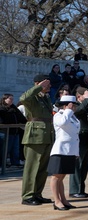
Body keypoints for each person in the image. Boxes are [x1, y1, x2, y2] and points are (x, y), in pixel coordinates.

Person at [20, 74, 55, 206]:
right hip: (35, 136)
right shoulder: (32, 97)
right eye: (47, 84)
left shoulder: (45, 98)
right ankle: (28, 195)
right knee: (32, 167)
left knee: (42, 168)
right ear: (38, 84)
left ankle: (37, 193)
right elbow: (23, 98)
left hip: (46, 135)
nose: (49, 86)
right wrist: (39, 87)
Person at [49, 94, 81, 210]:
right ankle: (56, 201)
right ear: (68, 105)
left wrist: (76, 152)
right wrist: (67, 111)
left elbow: (75, 136)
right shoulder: (59, 115)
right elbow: (62, 123)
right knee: (56, 177)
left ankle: (63, 199)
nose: (75, 107)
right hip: (60, 150)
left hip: (70, 151)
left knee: (61, 177)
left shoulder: (73, 117)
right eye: (74, 105)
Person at [69, 86, 88, 199]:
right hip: (80, 136)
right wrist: (86, 100)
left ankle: (81, 189)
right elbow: (78, 112)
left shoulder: (87, 106)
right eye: (85, 95)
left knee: (84, 164)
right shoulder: (76, 105)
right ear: (79, 96)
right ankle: (74, 190)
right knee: (77, 165)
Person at [1, 92, 26, 168]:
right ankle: (3, 163)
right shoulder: (2, 108)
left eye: (12, 99)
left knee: (15, 148)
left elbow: (21, 117)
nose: (12, 100)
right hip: (6, 131)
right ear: (5, 99)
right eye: (10, 99)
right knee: (6, 149)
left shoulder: (14, 108)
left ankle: (15, 162)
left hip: (15, 131)